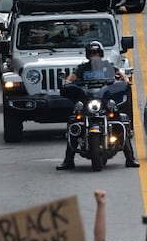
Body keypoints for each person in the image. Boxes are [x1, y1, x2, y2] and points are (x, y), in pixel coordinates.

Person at [57, 41, 138, 170]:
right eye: (91, 53)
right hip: (88, 101)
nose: (94, 55)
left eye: (96, 52)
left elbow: (120, 75)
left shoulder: (108, 66)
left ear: (100, 54)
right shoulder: (82, 68)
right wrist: (67, 82)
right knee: (74, 123)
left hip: (104, 102)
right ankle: (68, 160)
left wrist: (125, 80)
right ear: (88, 55)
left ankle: (130, 158)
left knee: (120, 121)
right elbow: (71, 78)